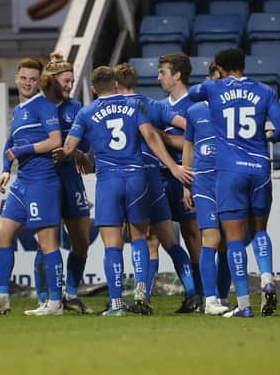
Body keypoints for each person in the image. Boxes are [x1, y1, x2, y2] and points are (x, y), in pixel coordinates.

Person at [53, 66, 193, 316]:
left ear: (94, 89)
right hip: (138, 178)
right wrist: (173, 166)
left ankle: (116, 304)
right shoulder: (135, 106)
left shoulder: (86, 111)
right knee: (140, 237)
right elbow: (150, 136)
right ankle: (141, 291)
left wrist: (76, 155)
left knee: (112, 244)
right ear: (115, 84)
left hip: (109, 180)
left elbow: (67, 148)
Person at [189, 48, 280, 318]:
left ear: (220, 67)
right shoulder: (265, 91)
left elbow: (192, 94)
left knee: (233, 240)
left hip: (230, 171)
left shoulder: (215, 88)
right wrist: (269, 136)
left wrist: (214, 81)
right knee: (259, 230)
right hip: (260, 168)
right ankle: (267, 277)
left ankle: (244, 305)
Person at [0, 58, 64, 316]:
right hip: (22, 182)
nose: (27, 83)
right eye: (23, 78)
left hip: (42, 182)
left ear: (39, 82)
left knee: (47, 242)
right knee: (3, 234)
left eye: (33, 79)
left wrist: (21, 151)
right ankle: (2, 296)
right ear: (16, 78)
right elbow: (10, 143)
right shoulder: (19, 110)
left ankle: (55, 303)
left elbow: (55, 141)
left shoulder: (44, 107)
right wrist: (5, 169)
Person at [113, 62, 199, 314]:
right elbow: (190, 125)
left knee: (144, 239)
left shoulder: (110, 109)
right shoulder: (153, 104)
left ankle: (143, 298)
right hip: (155, 178)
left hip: (132, 177)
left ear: (116, 84)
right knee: (170, 241)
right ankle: (193, 294)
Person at [28, 52, 94, 315]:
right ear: (53, 80)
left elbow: (86, 145)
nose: (69, 85)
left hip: (70, 179)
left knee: (81, 241)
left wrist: (77, 153)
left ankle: (71, 294)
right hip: (43, 179)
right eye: (66, 80)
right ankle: (45, 297)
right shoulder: (36, 107)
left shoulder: (75, 108)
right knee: (47, 241)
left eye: (72, 80)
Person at [182, 62, 231, 315]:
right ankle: (209, 299)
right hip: (203, 181)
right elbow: (188, 146)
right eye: (213, 80)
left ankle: (221, 298)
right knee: (211, 239)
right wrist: (186, 185)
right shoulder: (195, 110)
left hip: (229, 181)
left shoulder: (232, 110)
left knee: (226, 244)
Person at [157, 52, 204, 299]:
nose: (158, 78)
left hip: (187, 176)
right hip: (162, 176)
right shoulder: (161, 106)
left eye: (163, 72)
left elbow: (193, 141)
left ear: (177, 75)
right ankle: (192, 293)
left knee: (192, 234)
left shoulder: (194, 106)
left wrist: (161, 137)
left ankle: (204, 293)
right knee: (157, 236)